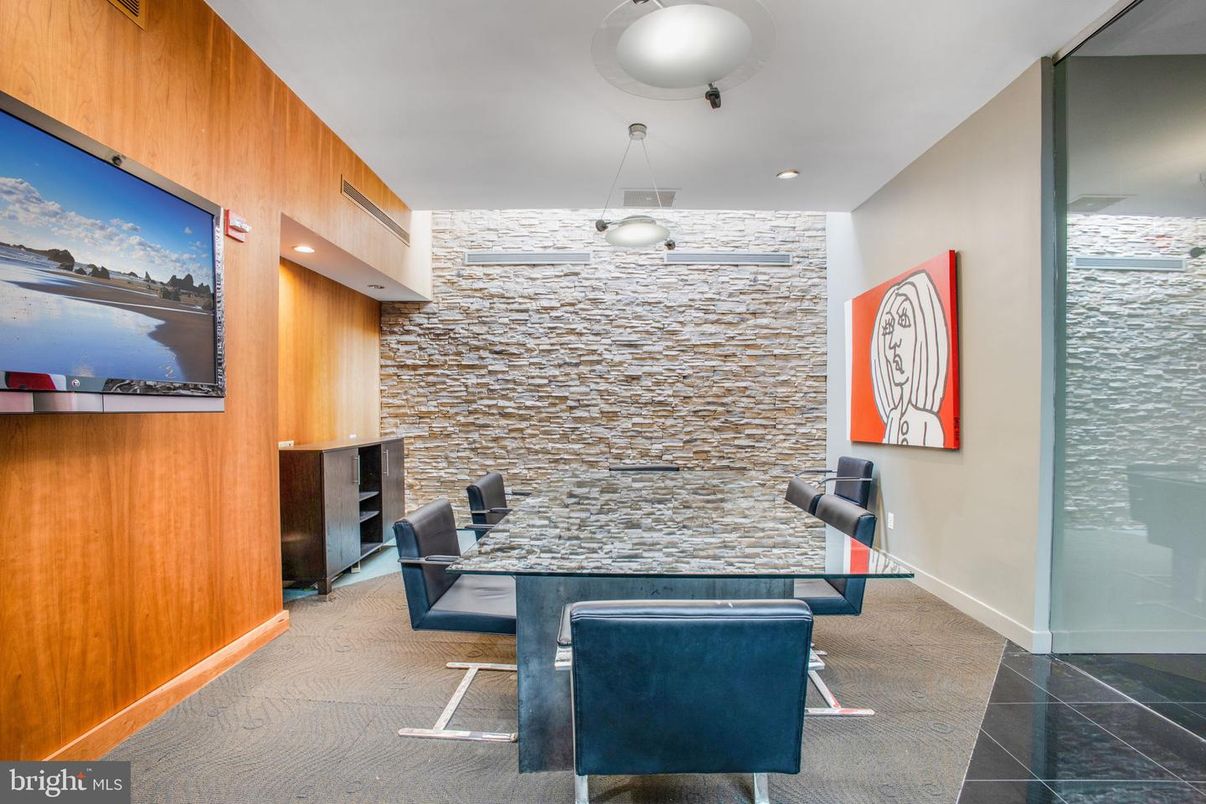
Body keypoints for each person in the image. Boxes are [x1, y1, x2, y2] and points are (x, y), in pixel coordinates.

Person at [870, 270, 949, 447]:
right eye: (888, 328)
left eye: (904, 321)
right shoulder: (893, 417)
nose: (892, 342)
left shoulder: (929, 423)